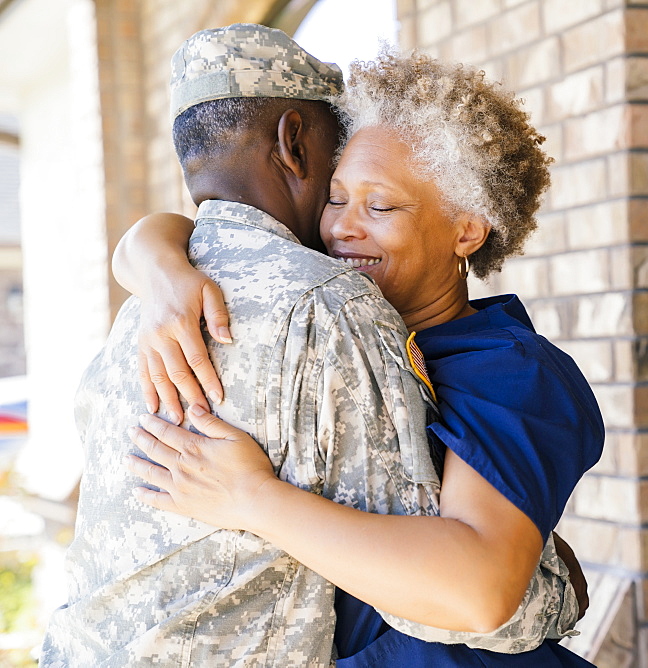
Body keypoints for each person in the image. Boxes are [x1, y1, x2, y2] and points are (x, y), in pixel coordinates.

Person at [41, 25, 579, 667]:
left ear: (466, 229)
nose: (343, 228)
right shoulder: (326, 314)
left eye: (381, 208)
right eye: (335, 197)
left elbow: (478, 590)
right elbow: (204, 230)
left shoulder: (509, 370)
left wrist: (253, 499)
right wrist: (159, 268)